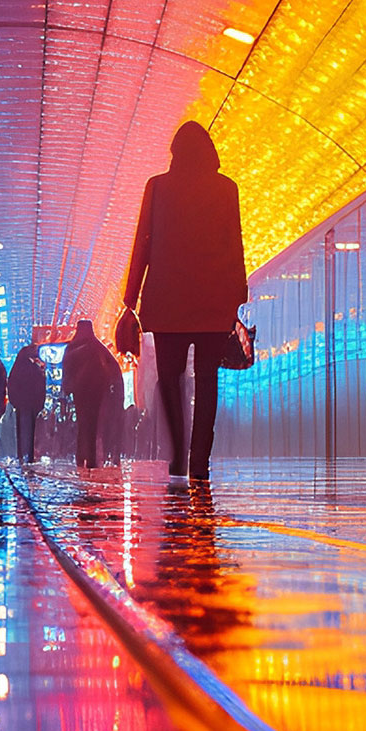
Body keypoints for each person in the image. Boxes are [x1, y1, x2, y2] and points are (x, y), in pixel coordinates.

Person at [123, 120, 248, 487]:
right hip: (211, 303)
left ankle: (177, 452)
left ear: (175, 151)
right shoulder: (226, 189)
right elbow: (233, 243)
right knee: (208, 380)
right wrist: (236, 294)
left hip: (167, 303)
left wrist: (131, 297)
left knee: (170, 379)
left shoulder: (157, 187)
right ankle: (199, 459)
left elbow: (142, 242)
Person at [62, 319, 118, 469]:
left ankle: (81, 457)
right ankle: (92, 459)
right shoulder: (98, 346)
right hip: (96, 391)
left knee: (82, 423)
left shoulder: (72, 347)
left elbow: (66, 369)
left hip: (80, 391)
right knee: (93, 424)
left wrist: (67, 387)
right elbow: (113, 366)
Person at [7, 343, 46, 464]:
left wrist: (14, 401)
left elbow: (11, 384)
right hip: (32, 403)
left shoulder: (17, 367)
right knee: (31, 430)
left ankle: (21, 454)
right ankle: (29, 455)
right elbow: (40, 386)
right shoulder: (35, 368)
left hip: (21, 404)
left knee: (21, 429)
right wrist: (40, 402)